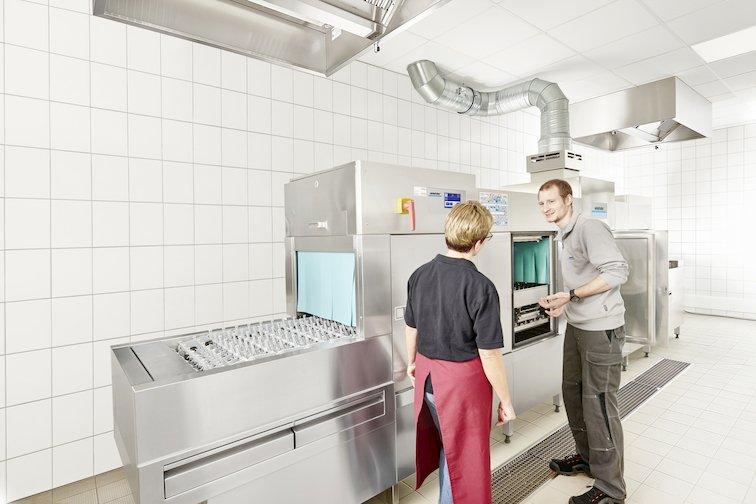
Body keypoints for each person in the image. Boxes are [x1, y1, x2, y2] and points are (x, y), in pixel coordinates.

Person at [404, 201, 515, 504]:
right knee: (464, 463)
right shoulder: (480, 286)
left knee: (448, 449)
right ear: (478, 243)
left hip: (428, 381)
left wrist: (411, 362)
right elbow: (489, 355)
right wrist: (506, 401)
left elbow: (411, 327)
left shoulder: (419, 275)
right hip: (460, 388)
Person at [537, 179, 629, 504]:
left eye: (551, 201)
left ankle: (611, 489)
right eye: (542, 203)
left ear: (568, 200)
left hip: (601, 330)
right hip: (577, 326)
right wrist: (565, 303)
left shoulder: (589, 227)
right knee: (574, 396)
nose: (546, 208)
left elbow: (617, 272)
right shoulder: (564, 234)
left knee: (599, 405)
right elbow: (586, 277)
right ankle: (588, 459)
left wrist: (572, 294)